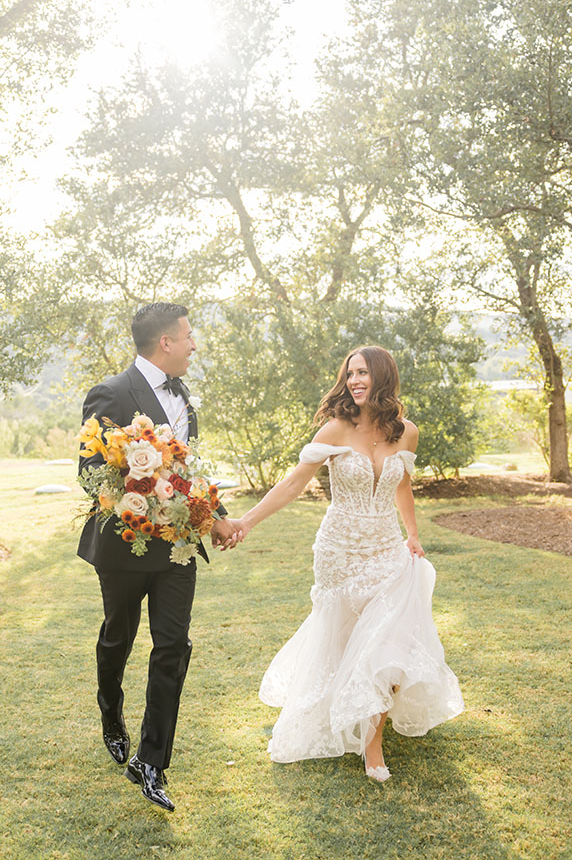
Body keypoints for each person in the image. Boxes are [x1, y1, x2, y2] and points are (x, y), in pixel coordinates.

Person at [225, 345, 464, 781]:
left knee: (387, 640)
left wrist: (412, 534)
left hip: (387, 547)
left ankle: (372, 745)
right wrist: (246, 521)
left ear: (383, 378)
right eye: (350, 373)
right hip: (339, 550)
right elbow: (294, 483)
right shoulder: (335, 430)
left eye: (364, 373)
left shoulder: (406, 432)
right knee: (343, 640)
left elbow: (403, 486)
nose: (355, 381)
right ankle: (338, 708)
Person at [77, 302, 237, 812]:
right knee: (118, 638)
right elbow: (87, 474)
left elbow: (189, 471)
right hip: (125, 544)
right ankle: (110, 713)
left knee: (173, 646)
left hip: (177, 547)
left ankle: (151, 761)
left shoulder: (184, 397)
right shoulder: (111, 393)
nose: (194, 345)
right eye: (188, 336)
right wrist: (137, 486)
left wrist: (217, 516)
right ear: (165, 342)